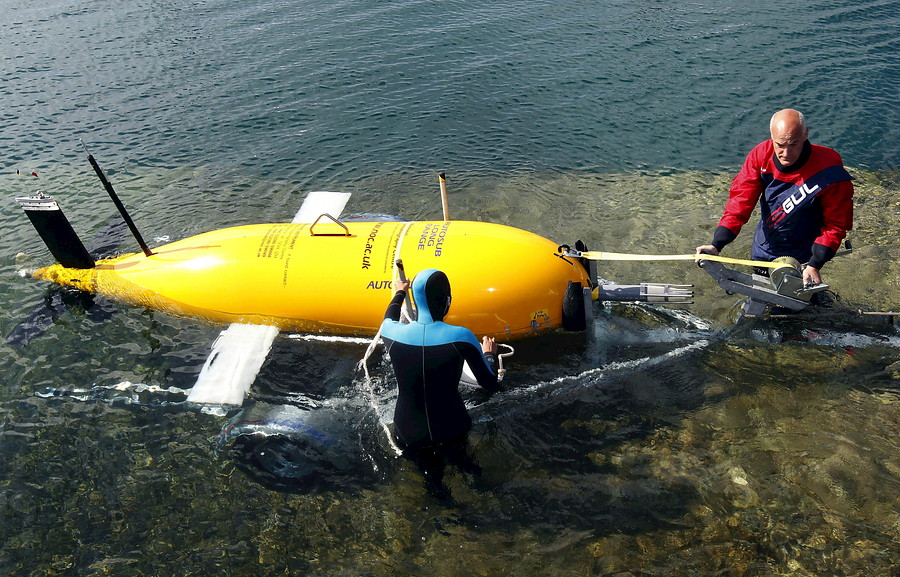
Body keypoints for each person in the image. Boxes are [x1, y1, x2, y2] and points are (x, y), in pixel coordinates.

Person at [696, 109, 853, 286]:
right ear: (771, 137)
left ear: (805, 135)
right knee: (762, 298)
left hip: (804, 255)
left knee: (801, 303)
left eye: (794, 144)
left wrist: (815, 263)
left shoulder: (828, 166)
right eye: (780, 144)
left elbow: (836, 222)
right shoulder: (760, 155)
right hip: (764, 250)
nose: (786, 153)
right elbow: (740, 202)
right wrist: (717, 244)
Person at [380, 269, 499, 499]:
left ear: (415, 300)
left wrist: (398, 293)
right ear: (447, 301)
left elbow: (390, 315)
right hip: (452, 427)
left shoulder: (390, 332)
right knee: (471, 471)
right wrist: (490, 355)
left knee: (433, 484)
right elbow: (489, 383)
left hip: (408, 431)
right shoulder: (461, 337)